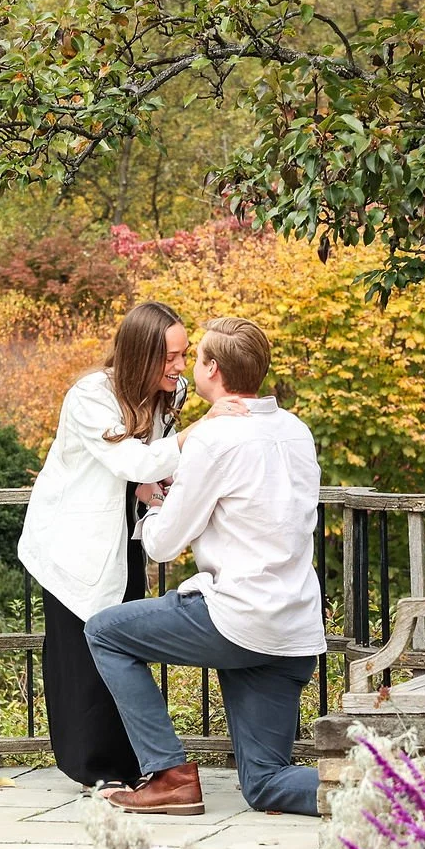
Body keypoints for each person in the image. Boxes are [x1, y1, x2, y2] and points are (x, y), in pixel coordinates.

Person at [84, 316, 323, 816]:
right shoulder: (297, 431)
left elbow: (164, 546)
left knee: (105, 631)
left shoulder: (215, 439)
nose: (190, 366)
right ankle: (396, 790)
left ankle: (170, 775)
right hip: (293, 631)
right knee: (266, 783)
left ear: (213, 369)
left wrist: (152, 506)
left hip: (237, 619)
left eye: (196, 359)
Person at [19, 302, 245, 789]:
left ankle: (131, 763)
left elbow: (147, 465)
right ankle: (94, 770)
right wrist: (202, 429)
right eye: (171, 356)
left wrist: (150, 488)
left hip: (123, 531)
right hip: (73, 538)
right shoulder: (90, 396)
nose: (180, 367)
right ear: (141, 354)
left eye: (185, 355)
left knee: (119, 643)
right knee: (79, 653)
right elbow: (130, 460)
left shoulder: (172, 393)